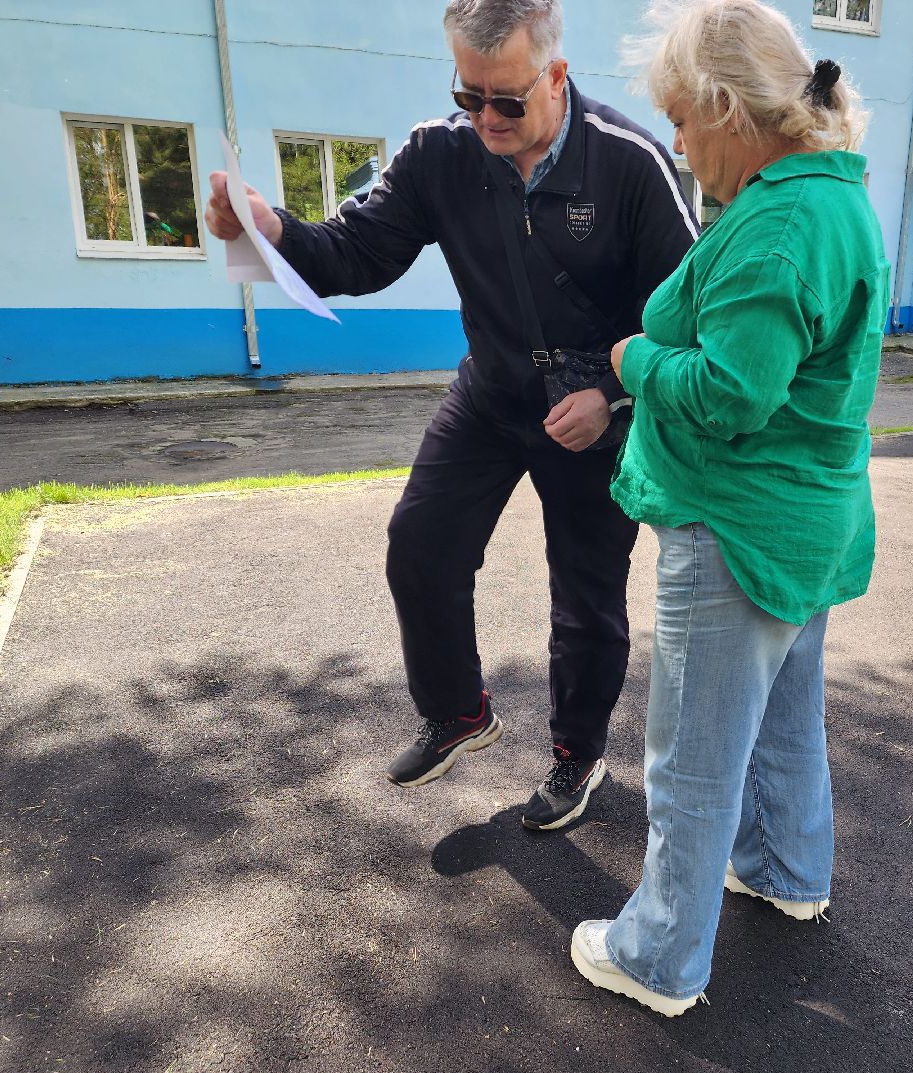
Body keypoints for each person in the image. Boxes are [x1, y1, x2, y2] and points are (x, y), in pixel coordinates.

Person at [204, 0, 698, 830]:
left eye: (506, 99)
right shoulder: (440, 152)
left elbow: (687, 314)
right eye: (469, 96)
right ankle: (459, 713)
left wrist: (615, 397)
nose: (486, 118)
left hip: (593, 410)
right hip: (493, 390)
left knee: (586, 599)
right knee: (420, 542)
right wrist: (272, 227)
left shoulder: (630, 164)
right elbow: (355, 256)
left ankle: (577, 757)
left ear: (556, 75)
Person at [568, 0, 890, 1015]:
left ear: (726, 108)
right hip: (806, 519)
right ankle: (788, 872)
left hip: (739, 526)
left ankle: (659, 958)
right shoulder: (830, 196)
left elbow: (732, 393)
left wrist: (636, 358)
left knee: (690, 761)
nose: (675, 142)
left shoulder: (780, 221)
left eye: (679, 118)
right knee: (788, 721)